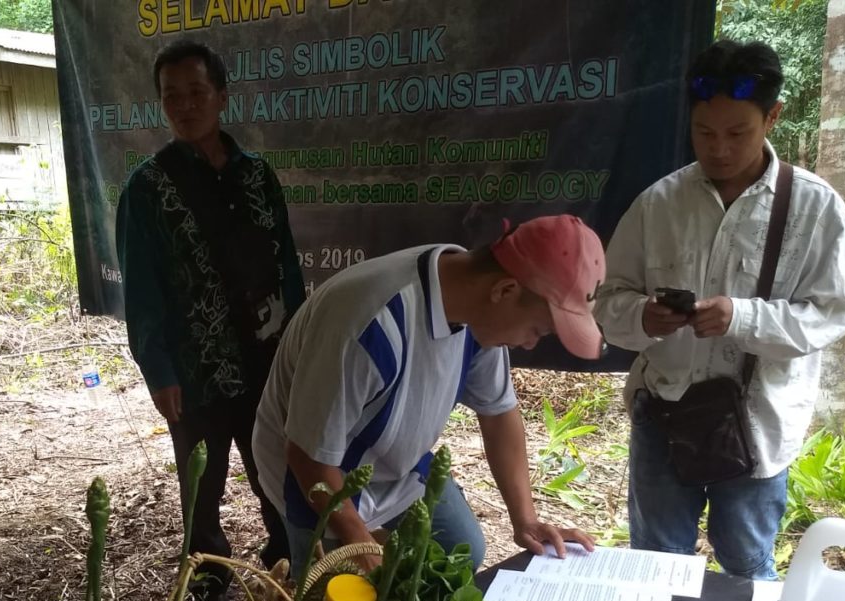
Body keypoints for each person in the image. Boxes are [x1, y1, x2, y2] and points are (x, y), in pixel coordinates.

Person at [596, 40, 845, 581]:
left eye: (737, 133)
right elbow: (607, 300)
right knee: (654, 563)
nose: (718, 149)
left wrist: (743, 317)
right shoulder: (658, 203)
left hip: (758, 419)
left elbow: (830, 314)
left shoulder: (815, 207)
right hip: (663, 412)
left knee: (747, 567)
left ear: (773, 117)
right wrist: (643, 316)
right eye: (704, 132)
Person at [252, 216, 601, 573]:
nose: (529, 342)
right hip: (315, 472)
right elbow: (307, 456)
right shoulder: (371, 324)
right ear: (505, 290)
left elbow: (499, 413)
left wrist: (526, 520)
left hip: (394, 462)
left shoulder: (478, 304)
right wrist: (360, 541)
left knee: (461, 549)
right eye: (538, 330)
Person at [117, 41, 303, 601]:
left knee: (275, 468)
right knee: (201, 483)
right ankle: (212, 582)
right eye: (172, 95)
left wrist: (298, 347)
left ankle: (286, 562)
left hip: (267, 359)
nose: (184, 105)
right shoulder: (147, 188)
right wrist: (159, 370)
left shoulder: (257, 177)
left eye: (196, 92)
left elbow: (288, 268)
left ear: (221, 97)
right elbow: (141, 291)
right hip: (195, 369)